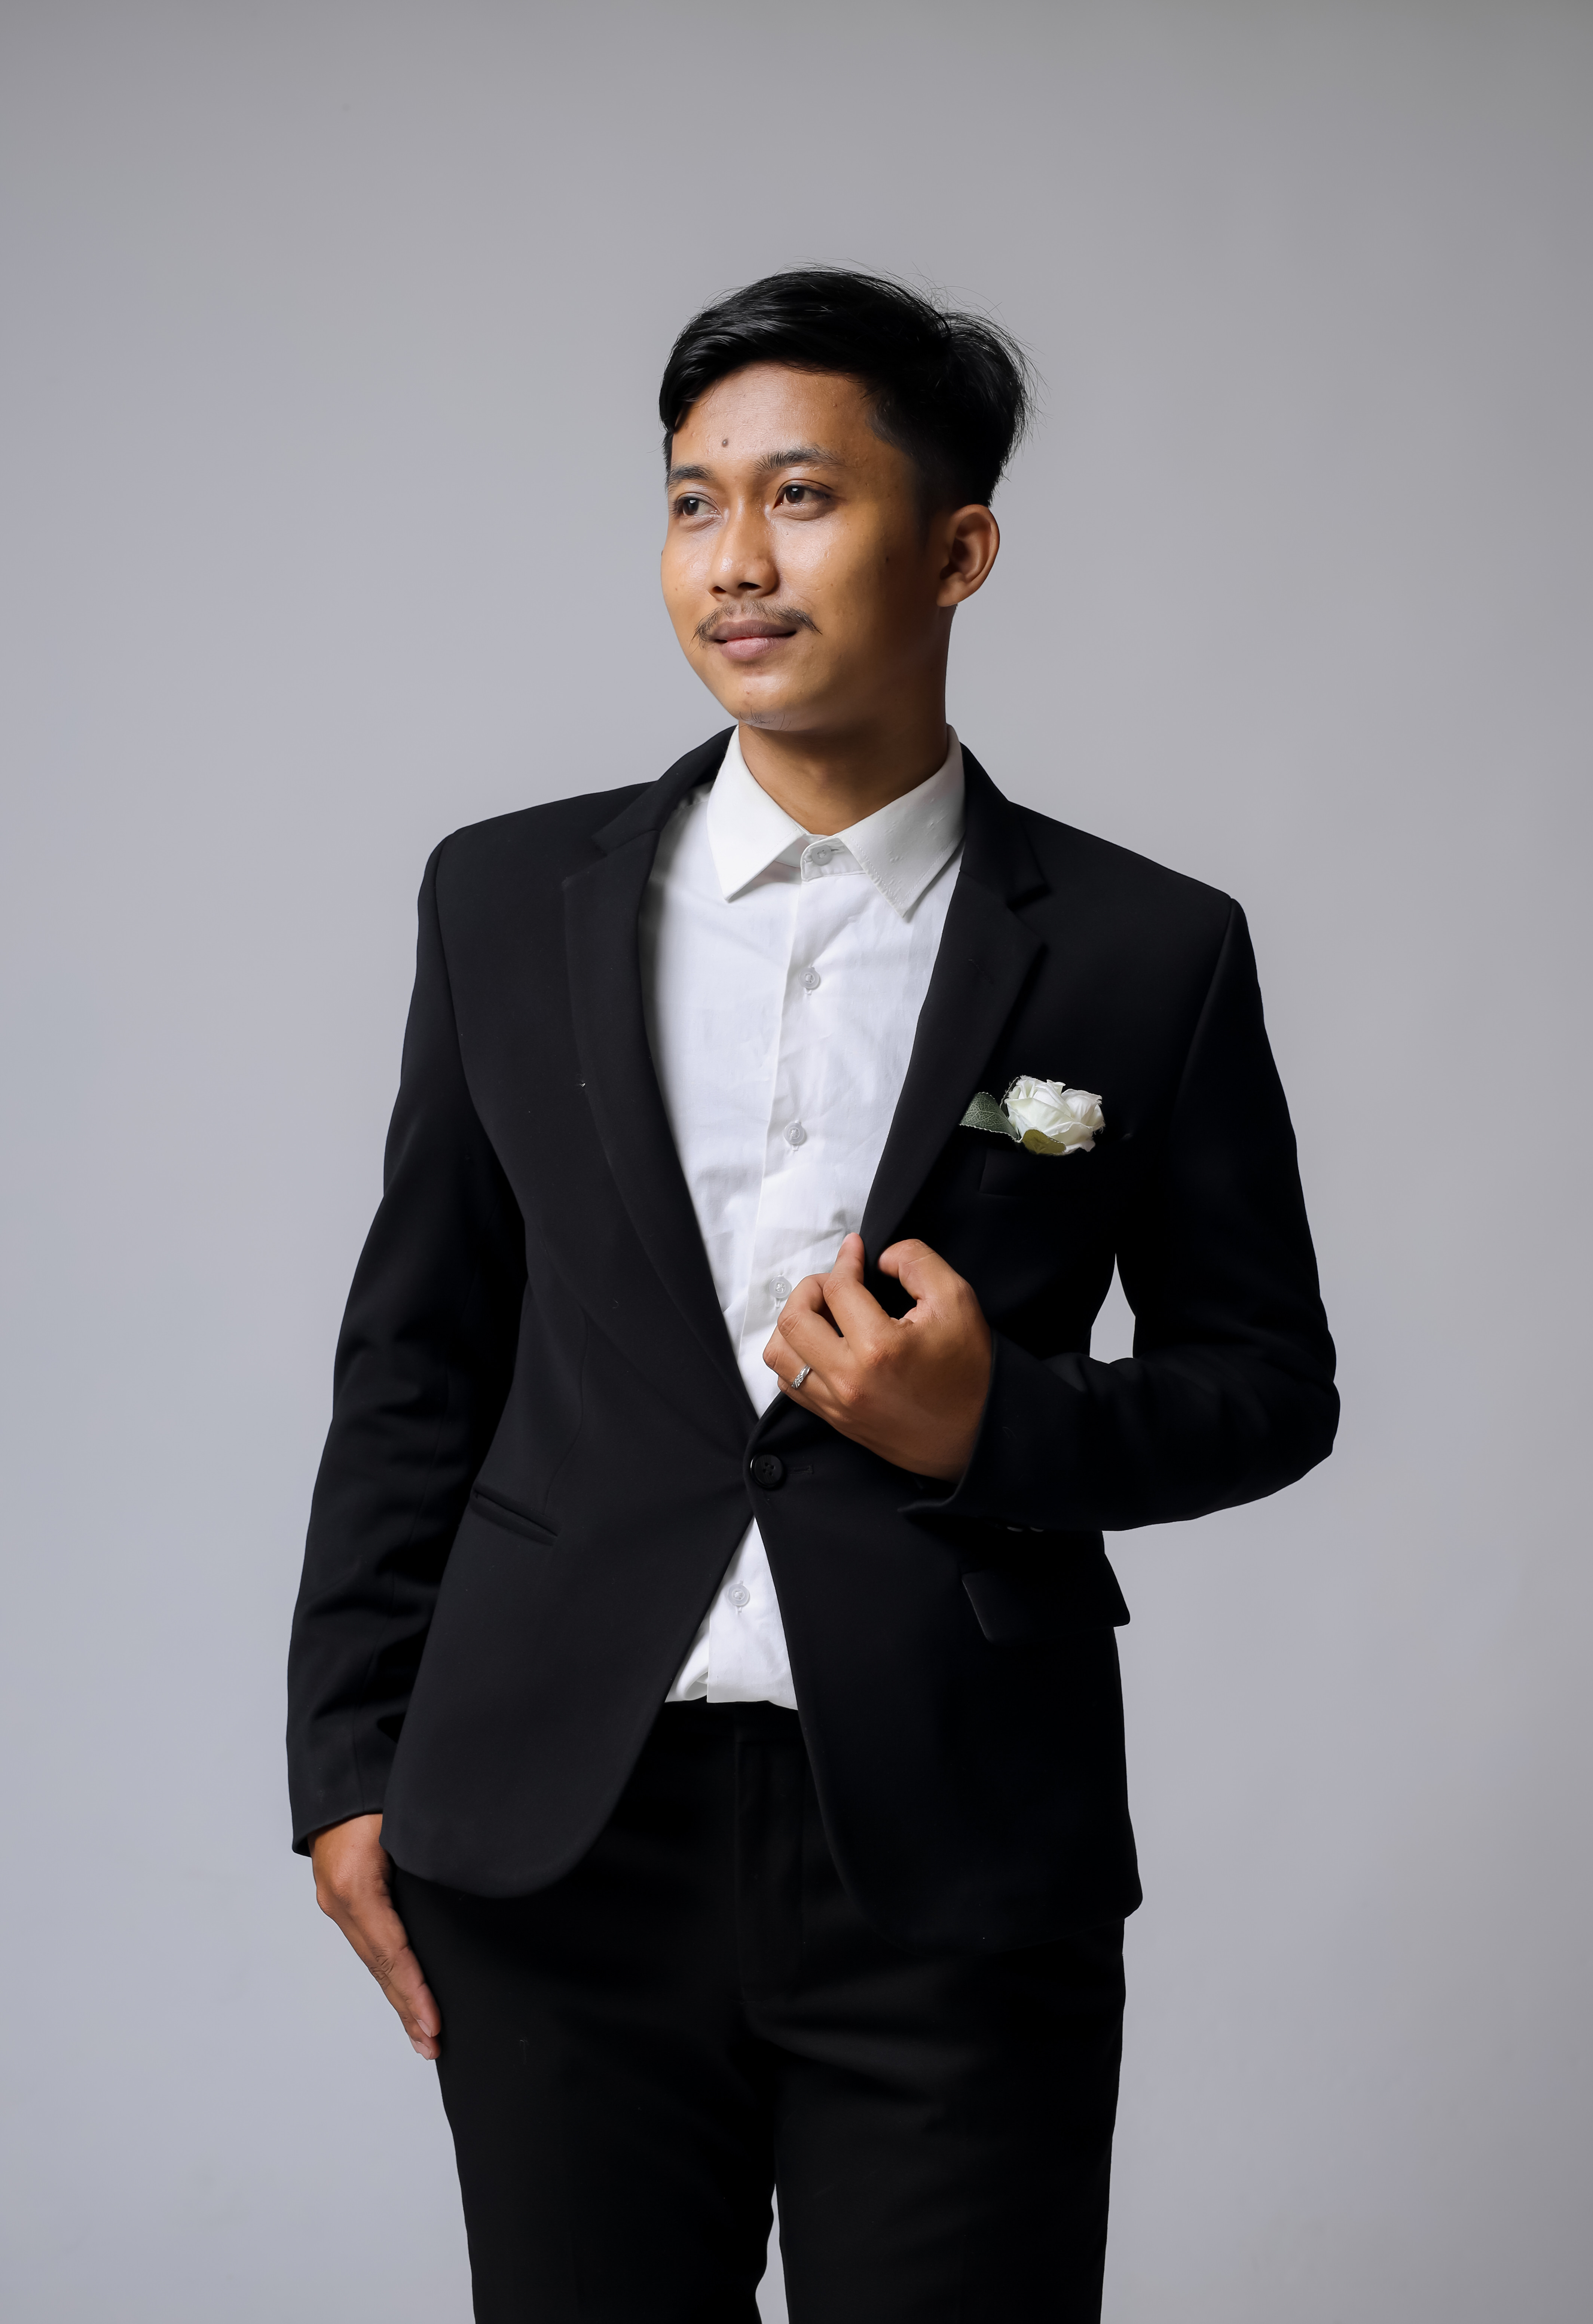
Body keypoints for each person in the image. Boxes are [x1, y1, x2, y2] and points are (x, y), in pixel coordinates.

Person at [287, 268, 1337, 2323]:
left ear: (959, 551)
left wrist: (999, 1424)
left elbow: (1270, 1380)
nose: (736, 563)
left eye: (802, 497)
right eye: (694, 503)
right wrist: (345, 1759)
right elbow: (416, 1353)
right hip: (557, 1835)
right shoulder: (502, 897)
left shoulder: (1148, 947)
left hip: (957, 1845)